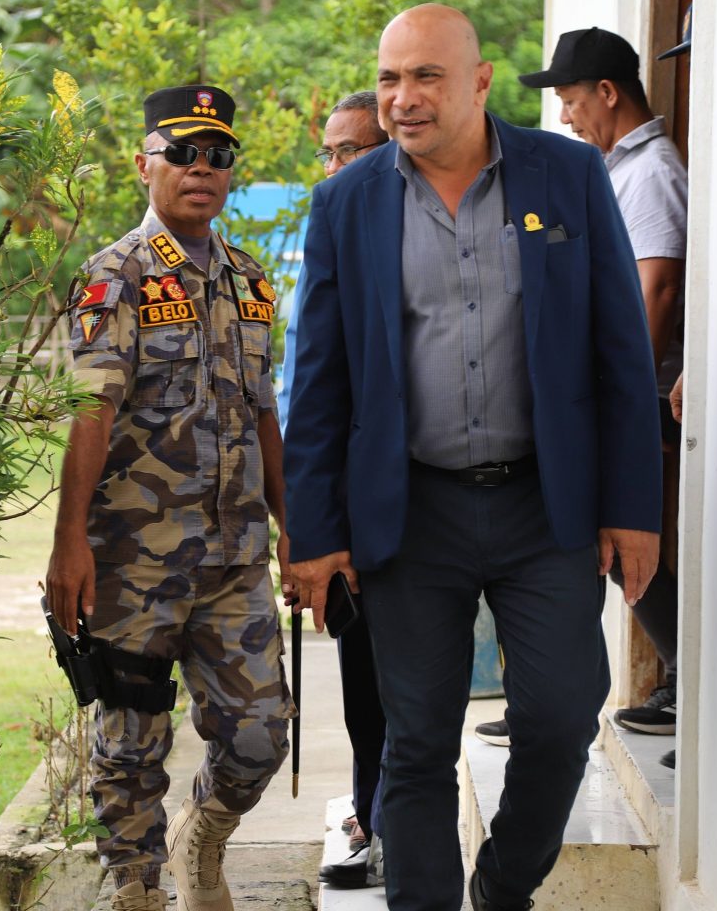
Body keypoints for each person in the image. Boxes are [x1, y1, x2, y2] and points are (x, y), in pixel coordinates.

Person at [283, 4, 663, 911]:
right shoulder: (346, 201)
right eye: (388, 79)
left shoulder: (566, 175)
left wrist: (633, 508)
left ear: (481, 80)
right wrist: (315, 535)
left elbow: (619, 349)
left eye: (426, 77)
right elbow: (318, 379)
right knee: (415, 740)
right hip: (411, 511)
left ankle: (503, 885)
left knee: (561, 717)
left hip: (545, 506)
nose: (402, 99)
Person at [46, 85, 294, 911]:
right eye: (181, 152)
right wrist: (68, 544)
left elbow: (263, 412)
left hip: (233, 560)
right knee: (130, 747)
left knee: (261, 735)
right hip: (133, 562)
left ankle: (203, 836)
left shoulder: (250, 279)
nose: (200, 168)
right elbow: (91, 412)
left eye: (217, 155)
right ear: (143, 164)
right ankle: (136, 888)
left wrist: (292, 525)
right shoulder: (113, 276)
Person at [504, 26, 687, 743]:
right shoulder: (612, 168)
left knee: (624, 541)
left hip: (640, 397)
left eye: (572, 99)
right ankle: (559, 699)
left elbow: (657, 288)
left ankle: (678, 683)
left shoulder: (651, 173)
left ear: (607, 93)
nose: (565, 116)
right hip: (610, 394)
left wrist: (621, 404)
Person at [278, 92, 390, 889]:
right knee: (362, 685)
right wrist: (308, 525)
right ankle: (369, 814)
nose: (333, 167)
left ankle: (387, 825)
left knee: (403, 689)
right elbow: (304, 394)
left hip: (409, 511)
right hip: (340, 512)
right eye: (328, 152)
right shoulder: (329, 234)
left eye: (349, 151)